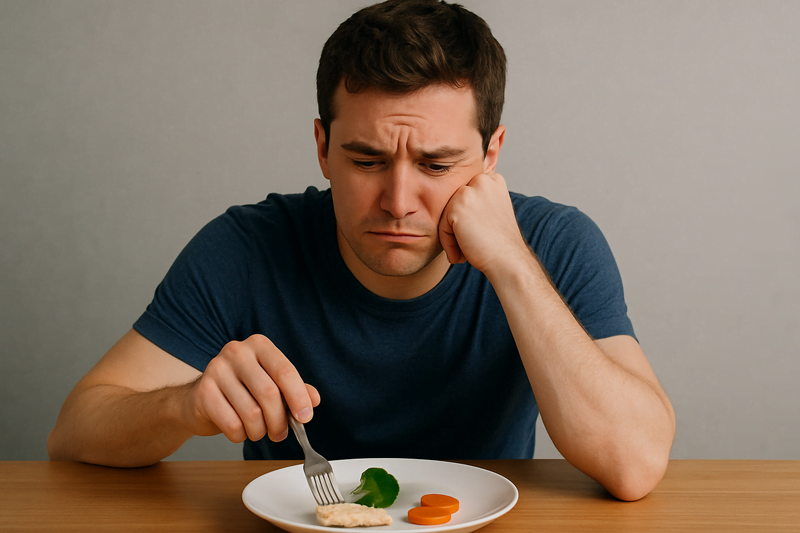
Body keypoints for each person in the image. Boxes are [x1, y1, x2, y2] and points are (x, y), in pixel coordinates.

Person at [48, 0, 675, 501]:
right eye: (366, 159)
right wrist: (184, 406)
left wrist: (511, 264)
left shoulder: (555, 245)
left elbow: (635, 464)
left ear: (491, 154)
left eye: (437, 164)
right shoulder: (246, 247)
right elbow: (75, 433)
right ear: (322, 147)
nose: (398, 200)